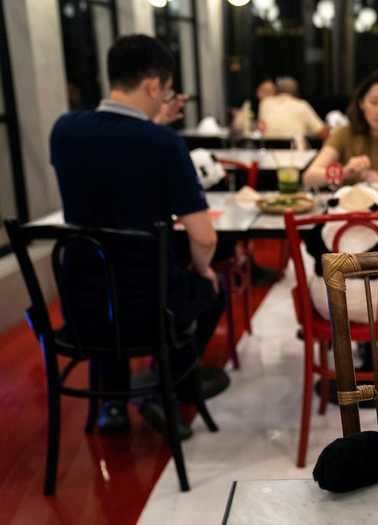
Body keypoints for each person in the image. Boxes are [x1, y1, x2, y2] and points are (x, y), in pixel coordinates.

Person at [50, 35, 225, 438]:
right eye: (165, 90)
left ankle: (110, 403)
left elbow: (115, 163)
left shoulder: (65, 131)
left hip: (83, 308)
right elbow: (204, 236)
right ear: (152, 85)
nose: (164, 98)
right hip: (148, 309)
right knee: (207, 287)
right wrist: (204, 271)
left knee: (109, 276)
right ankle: (166, 390)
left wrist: (156, 129)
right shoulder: (163, 145)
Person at [304, 69, 378, 193]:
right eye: (373, 102)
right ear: (362, 103)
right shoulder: (343, 134)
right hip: (348, 210)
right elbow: (309, 178)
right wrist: (345, 172)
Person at [257, 76, 328, 145]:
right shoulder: (302, 105)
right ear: (296, 92)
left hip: (269, 154)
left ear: (277, 91)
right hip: (295, 154)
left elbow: (261, 129)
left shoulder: (265, 103)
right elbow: (323, 132)